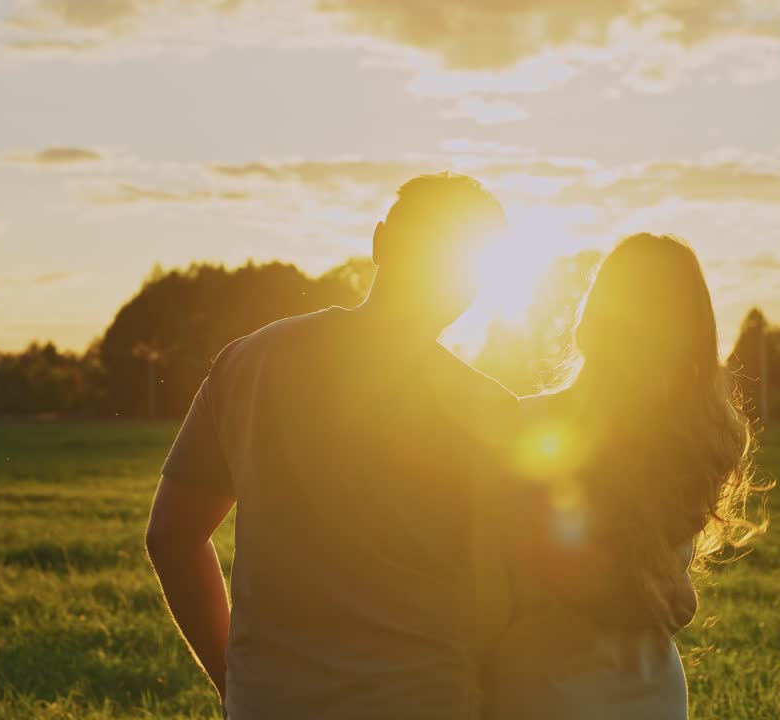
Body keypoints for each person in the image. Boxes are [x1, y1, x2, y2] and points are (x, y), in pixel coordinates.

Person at [145, 173, 519, 719]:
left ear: (380, 242)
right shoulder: (487, 410)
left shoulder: (250, 363)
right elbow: (505, 598)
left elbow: (171, 537)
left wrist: (236, 681)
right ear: (474, 285)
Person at [484, 233, 760, 720]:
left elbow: (495, 583)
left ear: (593, 320)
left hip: (539, 691)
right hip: (653, 697)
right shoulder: (708, 439)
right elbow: (663, 592)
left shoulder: (526, 426)